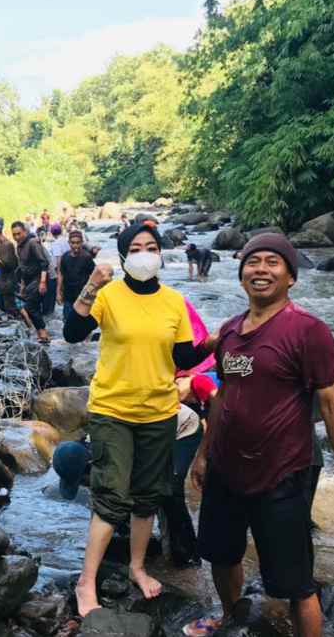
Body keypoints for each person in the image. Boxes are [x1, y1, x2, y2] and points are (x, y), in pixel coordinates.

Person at [183, 233, 334, 637]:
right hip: (227, 468)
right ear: (240, 274)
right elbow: (223, 397)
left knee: (296, 583)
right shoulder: (231, 331)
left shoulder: (308, 331)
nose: (261, 270)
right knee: (222, 555)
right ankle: (234, 619)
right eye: (253, 262)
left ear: (291, 278)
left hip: (283, 472)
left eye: (273, 262)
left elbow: (333, 406)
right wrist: (203, 454)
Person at [63, 223, 214, 616]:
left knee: (147, 496)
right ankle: (86, 581)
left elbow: (183, 358)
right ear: (125, 254)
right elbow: (73, 330)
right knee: (112, 495)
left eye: (151, 246)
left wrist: (218, 342)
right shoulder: (109, 295)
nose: (145, 253)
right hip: (113, 409)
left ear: (161, 253)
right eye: (136, 247)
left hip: (159, 411)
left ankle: (136, 567)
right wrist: (92, 283)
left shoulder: (174, 302)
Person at [12, 221, 50, 343]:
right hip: (28, 280)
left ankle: (43, 333)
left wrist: (43, 282)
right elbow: (23, 266)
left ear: (25, 232)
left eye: (19, 234)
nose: (17, 237)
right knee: (32, 306)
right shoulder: (19, 246)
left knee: (30, 306)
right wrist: (22, 286)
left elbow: (44, 263)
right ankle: (41, 334)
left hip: (38, 278)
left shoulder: (33, 243)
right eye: (14, 235)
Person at [57, 230, 95, 323]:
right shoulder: (65, 257)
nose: (75, 246)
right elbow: (61, 274)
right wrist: (58, 292)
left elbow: (94, 275)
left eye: (78, 243)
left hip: (82, 295)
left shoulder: (86, 257)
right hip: (68, 294)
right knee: (67, 320)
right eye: (73, 243)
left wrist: (91, 292)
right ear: (69, 243)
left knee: (83, 321)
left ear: (82, 242)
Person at [0, 218, 20, 316]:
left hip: (8, 282)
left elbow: (9, 265)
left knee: (10, 309)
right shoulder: (3, 244)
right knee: (5, 308)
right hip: (5, 282)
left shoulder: (6, 245)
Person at [42, 223, 67, 318]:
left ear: (52, 233)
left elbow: (58, 261)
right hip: (68, 271)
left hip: (60, 272)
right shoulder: (65, 240)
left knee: (59, 297)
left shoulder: (56, 243)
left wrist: (57, 278)